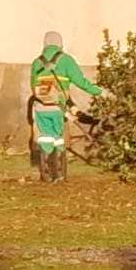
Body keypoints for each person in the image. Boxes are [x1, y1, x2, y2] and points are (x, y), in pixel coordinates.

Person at [28, 31, 102, 182]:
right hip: (58, 107)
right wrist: (98, 91)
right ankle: (60, 175)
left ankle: (46, 175)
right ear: (60, 44)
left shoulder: (36, 62)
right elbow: (81, 82)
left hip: (41, 107)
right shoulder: (66, 60)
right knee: (59, 139)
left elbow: (33, 86)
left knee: (45, 138)